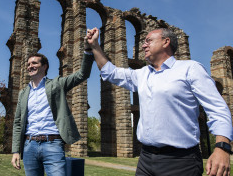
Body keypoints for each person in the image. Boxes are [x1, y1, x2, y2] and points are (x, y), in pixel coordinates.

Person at [85, 27, 233, 176]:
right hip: (146, 158)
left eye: (149, 41)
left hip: (180, 161)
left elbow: (217, 108)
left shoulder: (190, 69)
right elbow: (111, 72)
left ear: (166, 42)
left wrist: (222, 147)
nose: (143, 45)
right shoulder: (142, 74)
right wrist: (95, 46)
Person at [10, 50, 94, 176]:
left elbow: (82, 74)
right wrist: (16, 151)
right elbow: (17, 123)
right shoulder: (23, 93)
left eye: (34, 63)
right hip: (29, 145)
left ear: (44, 66)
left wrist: (88, 51)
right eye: (28, 64)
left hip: (52, 144)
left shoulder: (57, 84)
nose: (30, 66)